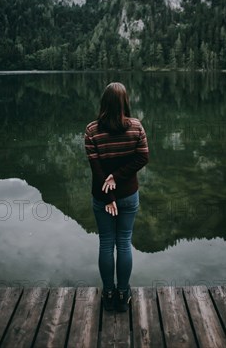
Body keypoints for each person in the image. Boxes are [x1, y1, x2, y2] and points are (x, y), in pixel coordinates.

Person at [84, 82, 149, 312]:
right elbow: (143, 158)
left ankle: (108, 294)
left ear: (104, 102)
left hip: (102, 198)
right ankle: (123, 294)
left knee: (105, 244)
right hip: (129, 195)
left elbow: (96, 169)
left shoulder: (92, 130)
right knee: (124, 243)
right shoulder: (136, 127)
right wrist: (119, 178)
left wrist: (109, 193)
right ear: (125, 102)